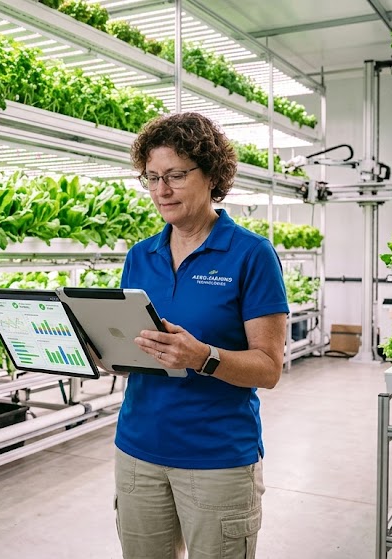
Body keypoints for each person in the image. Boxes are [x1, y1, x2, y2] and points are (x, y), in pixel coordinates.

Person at [114, 111, 289, 559]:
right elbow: (128, 346)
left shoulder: (251, 254)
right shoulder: (140, 256)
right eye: (151, 177)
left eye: (174, 175)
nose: (161, 191)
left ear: (211, 174)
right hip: (138, 450)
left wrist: (203, 357)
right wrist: (100, 351)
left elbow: (268, 369)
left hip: (217, 458)